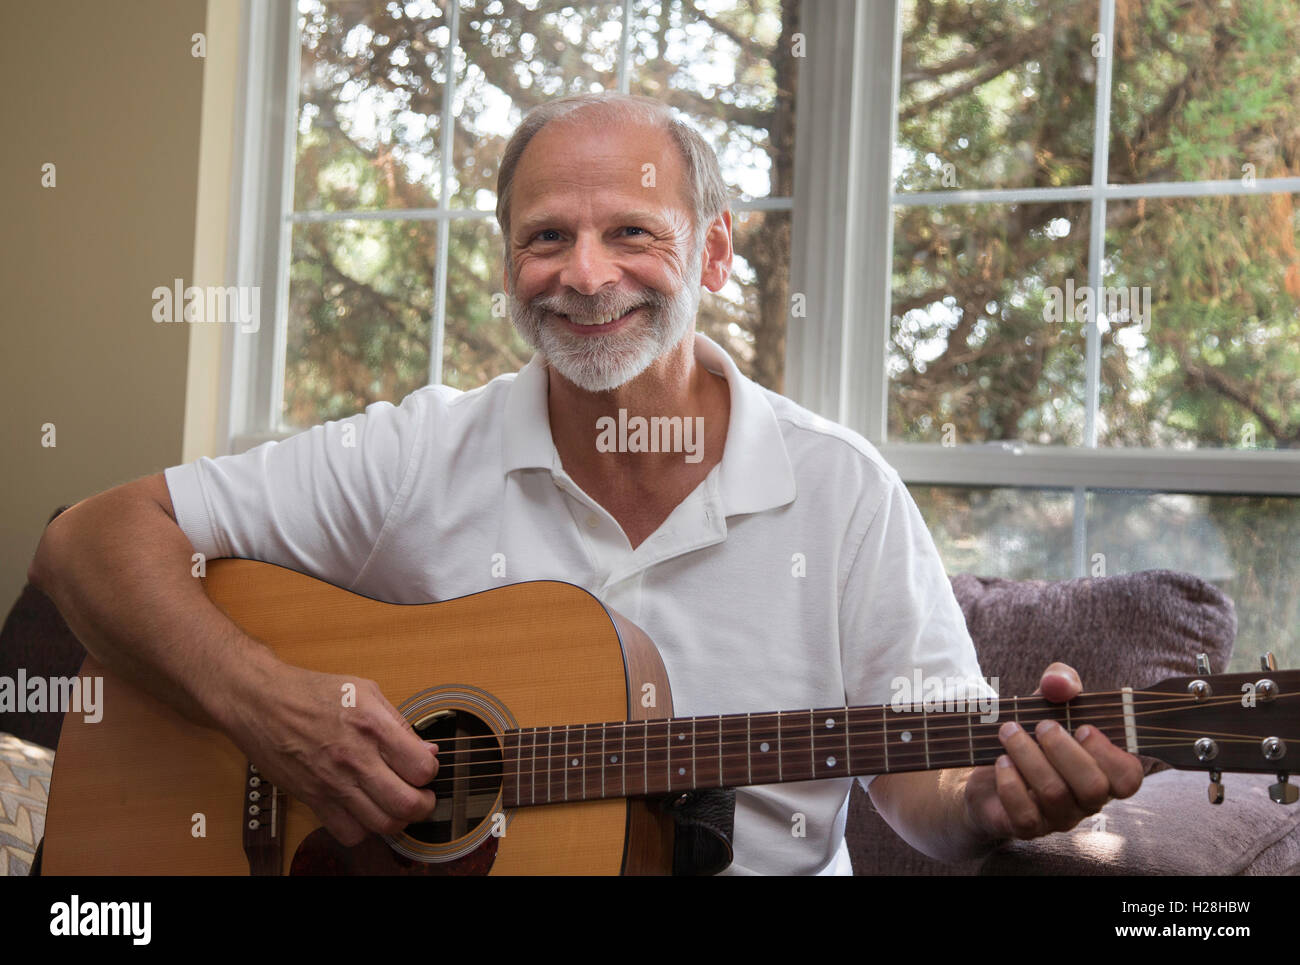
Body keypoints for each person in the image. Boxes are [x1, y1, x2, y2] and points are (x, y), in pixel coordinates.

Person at [29, 92, 1143, 875]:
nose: (585, 274)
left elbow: (927, 796)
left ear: (711, 255)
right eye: (546, 236)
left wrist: (993, 801)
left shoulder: (840, 493)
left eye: (631, 233)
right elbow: (89, 536)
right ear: (507, 258)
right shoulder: (420, 450)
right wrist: (267, 706)